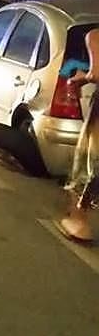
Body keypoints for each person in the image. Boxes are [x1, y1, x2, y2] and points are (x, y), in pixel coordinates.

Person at [56, 27, 99, 243]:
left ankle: (79, 224)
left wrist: (82, 77)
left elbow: (97, 72)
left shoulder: (95, 35)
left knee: (88, 165)